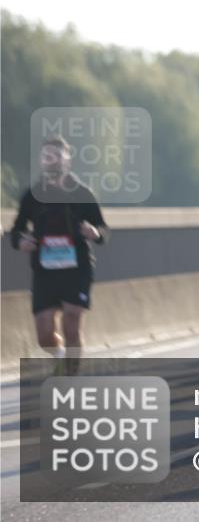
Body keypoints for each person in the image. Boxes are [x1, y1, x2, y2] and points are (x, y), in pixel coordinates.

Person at [10, 136, 108, 375]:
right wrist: (20, 241)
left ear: (68, 160)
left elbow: (103, 229)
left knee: (72, 322)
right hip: (45, 270)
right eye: (46, 157)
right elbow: (17, 229)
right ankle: (60, 355)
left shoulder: (82, 193)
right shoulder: (32, 195)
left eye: (56, 156)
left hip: (78, 268)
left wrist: (94, 232)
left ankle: (71, 378)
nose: (51, 161)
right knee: (44, 335)